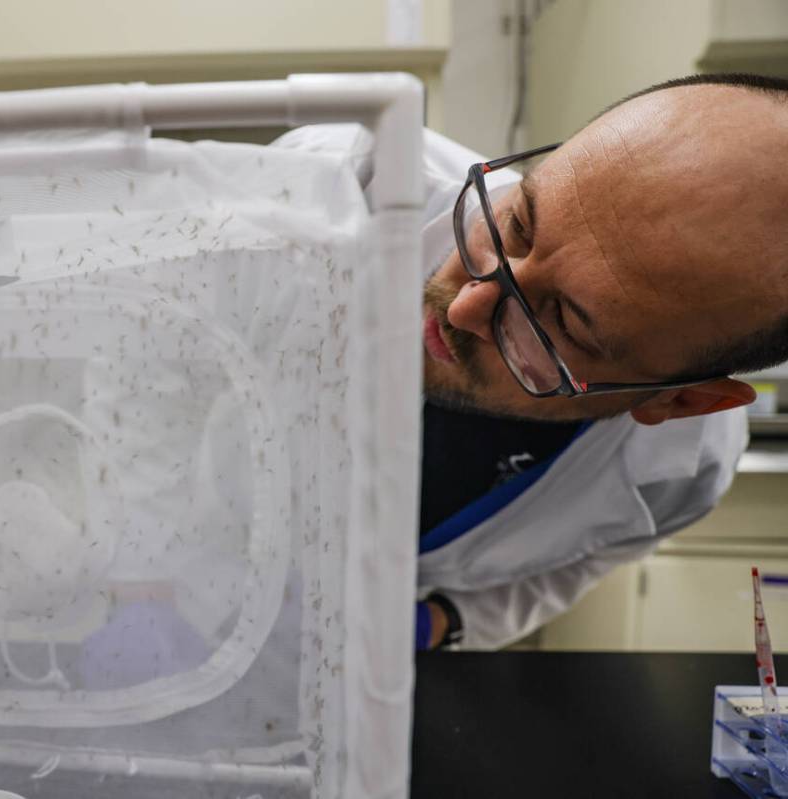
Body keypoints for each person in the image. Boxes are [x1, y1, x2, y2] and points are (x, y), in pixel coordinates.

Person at [285, 72, 788, 649]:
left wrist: (445, 620)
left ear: (678, 400)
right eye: (520, 224)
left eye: (565, 323)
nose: (464, 308)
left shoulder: (685, 470)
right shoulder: (339, 187)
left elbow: (572, 566)